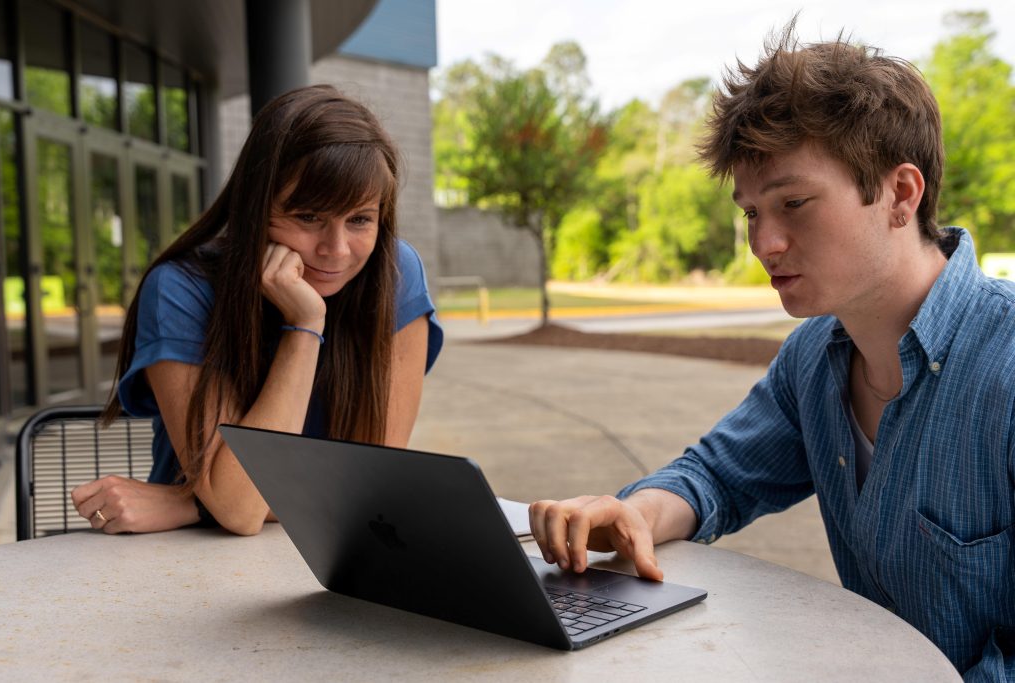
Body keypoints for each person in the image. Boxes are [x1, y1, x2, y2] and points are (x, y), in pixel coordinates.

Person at [530, 25, 1014, 680]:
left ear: (902, 194)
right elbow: (719, 475)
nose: (765, 243)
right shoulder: (814, 358)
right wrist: (634, 513)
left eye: (793, 203)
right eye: (752, 212)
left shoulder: (1005, 365)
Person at [70, 85, 443, 537]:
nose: (336, 249)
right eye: (308, 217)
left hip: (335, 551)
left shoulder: (395, 272)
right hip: (190, 559)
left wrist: (191, 502)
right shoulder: (179, 290)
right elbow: (240, 509)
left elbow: (368, 489)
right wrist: (305, 326)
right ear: (256, 206)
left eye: (360, 219)